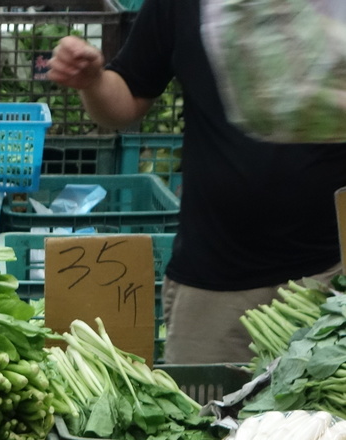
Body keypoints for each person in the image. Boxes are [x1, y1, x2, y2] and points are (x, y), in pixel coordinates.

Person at [49, 0, 346, 364]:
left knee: (328, 420)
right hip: (216, 283)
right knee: (207, 414)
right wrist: (92, 81)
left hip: (333, 273)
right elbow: (126, 100)